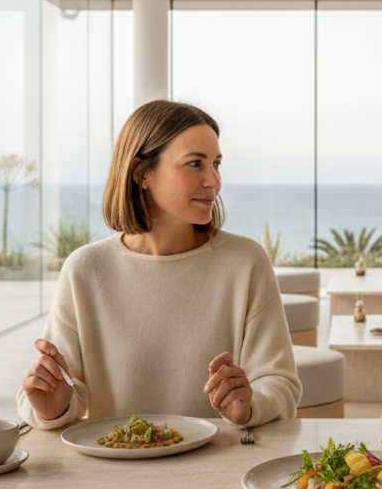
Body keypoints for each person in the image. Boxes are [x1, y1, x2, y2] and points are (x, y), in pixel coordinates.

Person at [18, 100, 302, 429]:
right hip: (116, 474)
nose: (214, 181)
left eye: (216, 164)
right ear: (142, 173)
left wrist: (250, 405)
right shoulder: (86, 270)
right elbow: (64, 390)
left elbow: (280, 383)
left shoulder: (246, 262)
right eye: (195, 163)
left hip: (218, 470)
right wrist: (52, 408)